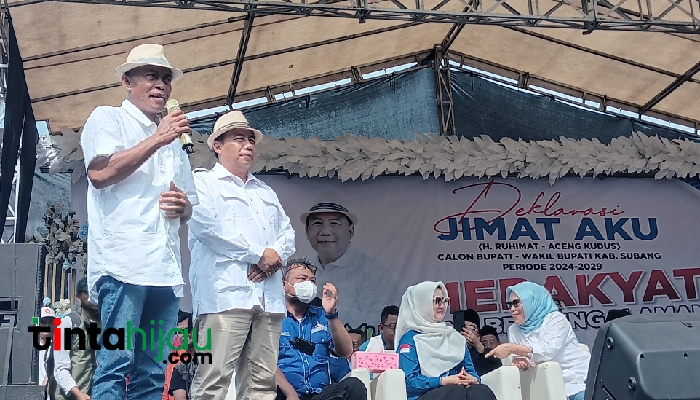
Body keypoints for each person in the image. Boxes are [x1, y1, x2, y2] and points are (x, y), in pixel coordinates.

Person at [79, 43, 198, 400]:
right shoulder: (108, 118)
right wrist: (159, 138)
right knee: (115, 363)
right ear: (127, 82)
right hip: (123, 265)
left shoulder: (175, 141)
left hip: (164, 269)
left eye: (166, 78)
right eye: (151, 76)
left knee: (153, 370)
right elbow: (100, 173)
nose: (161, 84)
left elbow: (189, 203)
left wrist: (183, 206)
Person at [187, 109, 296, 400]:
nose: (248, 145)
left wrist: (271, 260)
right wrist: (258, 255)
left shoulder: (265, 191)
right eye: (238, 139)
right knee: (212, 382)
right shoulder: (202, 182)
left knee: (261, 385)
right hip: (224, 297)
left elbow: (288, 234)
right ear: (217, 146)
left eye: (251, 140)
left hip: (268, 298)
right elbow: (206, 228)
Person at [276, 258, 366, 400]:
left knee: (354, 386)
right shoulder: (272, 317)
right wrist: (290, 393)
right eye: (302, 279)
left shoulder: (322, 317)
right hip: (285, 395)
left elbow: (346, 351)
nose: (308, 284)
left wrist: (331, 314)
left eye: (312, 281)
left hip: (319, 395)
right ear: (283, 284)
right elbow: (265, 361)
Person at [302, 199, 400, 328]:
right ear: (307, 230)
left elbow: (380, 321)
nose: (325, 231)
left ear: (350, 231)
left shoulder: (373, 272)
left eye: (334, 223)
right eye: (317, 223)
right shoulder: (303, 270)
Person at [486, 282, 590, 400]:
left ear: (531, 301)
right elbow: (523, 358)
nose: (512, 309)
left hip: (581, 377)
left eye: (516, 303)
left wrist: (512, 348)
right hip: (546, 383)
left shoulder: (555, 319)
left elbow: (547, 351)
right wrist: (521, 363)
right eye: (509, 305)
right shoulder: (514, 330)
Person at [396, 281, 497, 400]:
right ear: (422, 303)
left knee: (480, 390)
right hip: (425, 395)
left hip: (456, 390)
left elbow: (470, 371)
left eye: (445, 301)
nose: (442, 306)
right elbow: (410, 382)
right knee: (455, 391)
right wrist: (443, 381)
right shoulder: (410, 340)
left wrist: (473, 379)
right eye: (437, 301)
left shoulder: (455, 337)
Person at [47, 279, 101, 400]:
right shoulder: (65, 323)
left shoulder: (103, 324)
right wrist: (78, 394)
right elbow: (60, 367)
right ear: (78, 297)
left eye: (97, 291)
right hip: (69, 396)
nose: (94, 296)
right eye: (88, 292)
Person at [456, 310, 501, 376]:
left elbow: (497, 369)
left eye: (471, 328)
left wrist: (478, 345)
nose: (467, 331)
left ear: (478, 335)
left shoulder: (483, 354)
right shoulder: (449, 350)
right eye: (464, 327)